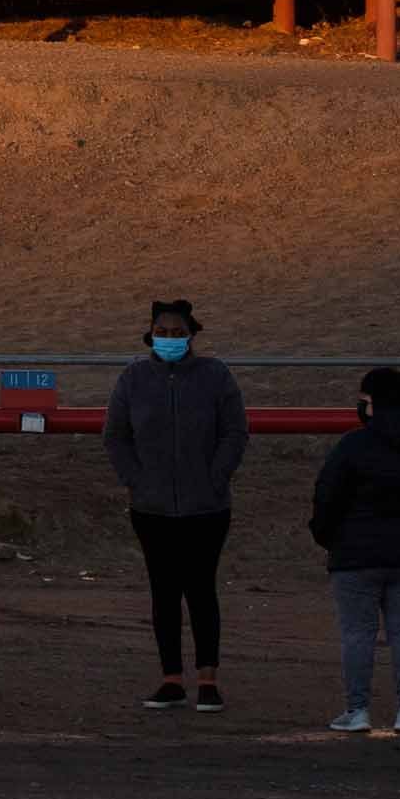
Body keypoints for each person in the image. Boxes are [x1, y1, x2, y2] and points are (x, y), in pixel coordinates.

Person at [101, 299, 249, 713]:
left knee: (201, 590)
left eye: (177, 331)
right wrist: (137, 481)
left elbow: (234, 432)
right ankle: (170, 680)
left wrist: (214, 479)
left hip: (207, 509)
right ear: (151, 334)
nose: (170, 338)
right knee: (163, 592)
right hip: (151, 509)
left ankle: (207, 680)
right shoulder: (132, 378)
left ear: (191, 334)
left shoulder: (216, 376)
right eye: (162, 331)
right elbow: (116, 436)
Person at [311, 367, 400, 734]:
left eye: (365, 400)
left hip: (354, 557)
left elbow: (327, 498)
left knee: (357, 634)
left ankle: (356, 711)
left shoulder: (351, 446)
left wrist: (329, 538)